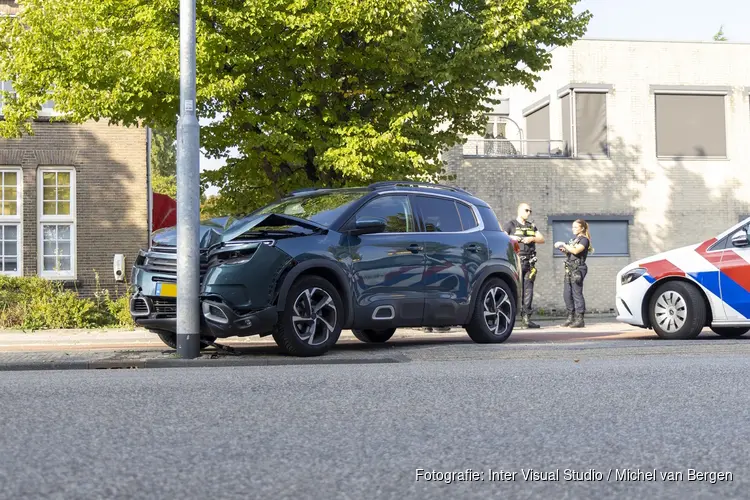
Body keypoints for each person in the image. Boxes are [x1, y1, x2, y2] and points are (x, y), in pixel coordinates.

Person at [503, 203, 545, 328]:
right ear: (519, 210)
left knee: (528, 290)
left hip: (530, 261)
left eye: (530, 211)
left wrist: (531, 239)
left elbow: (541, 239)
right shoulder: (511, 224)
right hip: (517, 260)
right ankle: (508, 319)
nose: (529, 213)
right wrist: (515, 238)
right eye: (526, 210)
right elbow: (503, 237)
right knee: (515, 289)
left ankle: (526, 319)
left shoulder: (531, 226)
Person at [554, 219, 592, 328]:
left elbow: (576, 251)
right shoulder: (575, 239)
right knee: (567, 293)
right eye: (572, 227)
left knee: (577, 293)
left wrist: (564, 244)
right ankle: (570, 317)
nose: (573, 229)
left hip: (578, 268)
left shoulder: (584, 240)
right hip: (570, 268)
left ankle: (580, 319)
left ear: (582, 228)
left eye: (576, 227)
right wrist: (565, 251)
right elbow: (571, 252)